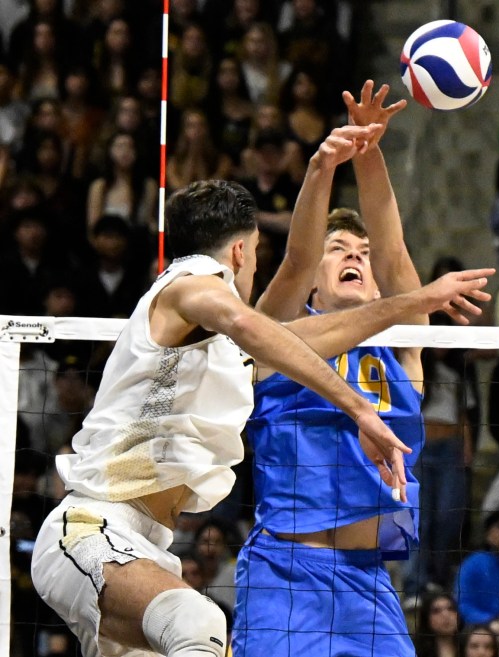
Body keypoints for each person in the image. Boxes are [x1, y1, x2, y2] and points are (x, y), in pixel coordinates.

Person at [30, 175, 455, 657]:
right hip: (103, 527)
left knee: (200, 635)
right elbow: (260, 308)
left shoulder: (240, 349)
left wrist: (410, 302)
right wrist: (359, 407)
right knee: (200, 623)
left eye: (362, 253)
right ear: (240, 253)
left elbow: (285, 335)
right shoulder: (194, 289)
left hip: (154, 546)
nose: (257, 265)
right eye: (255, 254)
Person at [231, 81, 494, 657]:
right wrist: (322, 166)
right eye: (339, 248)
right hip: (286, 575)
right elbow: (297, 258)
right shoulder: (276, 332)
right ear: (315, 282)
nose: (354, 254)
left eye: (362, 253)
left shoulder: (401, 345)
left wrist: (370, 150)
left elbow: (394, 253)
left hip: (368, 580)